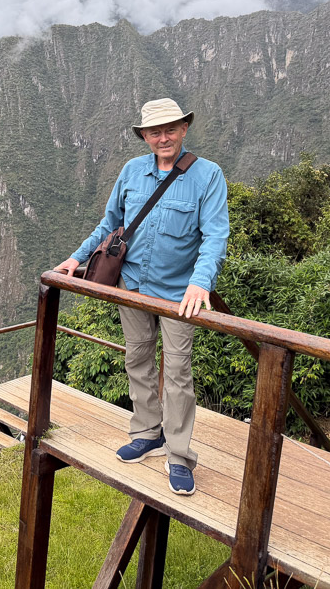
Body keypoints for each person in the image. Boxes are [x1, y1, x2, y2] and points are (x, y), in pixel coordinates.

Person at [54, 98, 229, 496]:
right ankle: (148, 432)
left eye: (170, 129)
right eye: (155, 132)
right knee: (137, 359)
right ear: (145, 136)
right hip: (131, 286)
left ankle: (179, 455)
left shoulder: (207, 176)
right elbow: (110, 224)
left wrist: (200, 283)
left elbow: (215, 234)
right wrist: (76, 257)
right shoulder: (132, 171)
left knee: (179, 372)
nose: (163, 137)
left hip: (177, 294)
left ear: (184, 129)